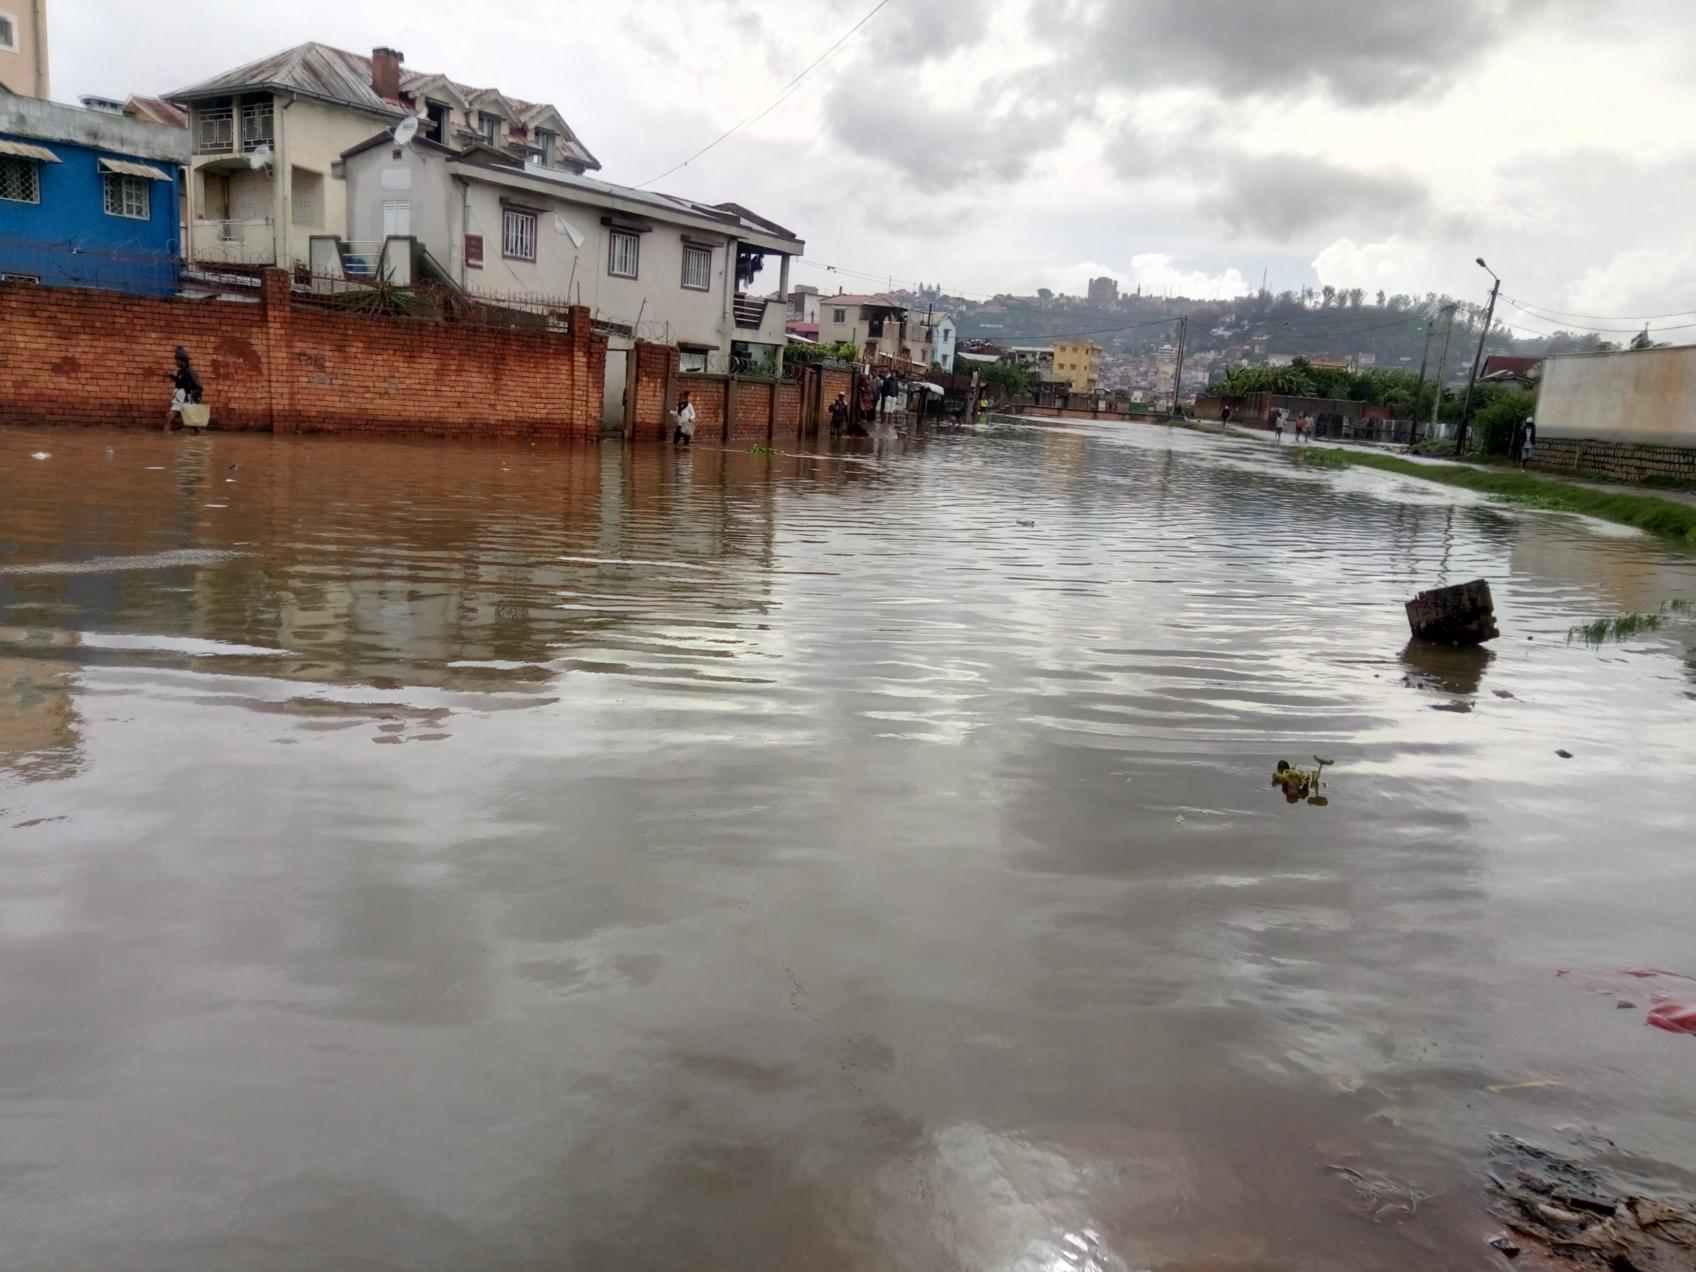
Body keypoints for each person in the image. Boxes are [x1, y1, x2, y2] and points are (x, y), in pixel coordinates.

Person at [166, 346, 203, 431]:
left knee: (192, 422)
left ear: (183, 361)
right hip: (180, 398)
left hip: (187, 399)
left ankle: (197, 434)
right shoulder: (181, 371)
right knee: (170, 417)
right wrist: (172, 376)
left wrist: (191, 397)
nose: (176, 362)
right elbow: (180, 382)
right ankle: (167, 437)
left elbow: (199, 387)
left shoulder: (190, 372)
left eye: (177, 360)